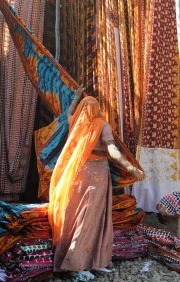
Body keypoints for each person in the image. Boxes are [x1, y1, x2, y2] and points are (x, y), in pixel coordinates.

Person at [48, 85, 145, 280]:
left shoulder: (75, 123)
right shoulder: (101, 124)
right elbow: (113, 151)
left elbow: (69, 112)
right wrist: (131, 168)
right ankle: (78, 263)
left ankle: (95, 261)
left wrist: (76, 98)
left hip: (77, 174)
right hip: (97, 176)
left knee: (78, 216)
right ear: (97, 109)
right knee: (93, 218)